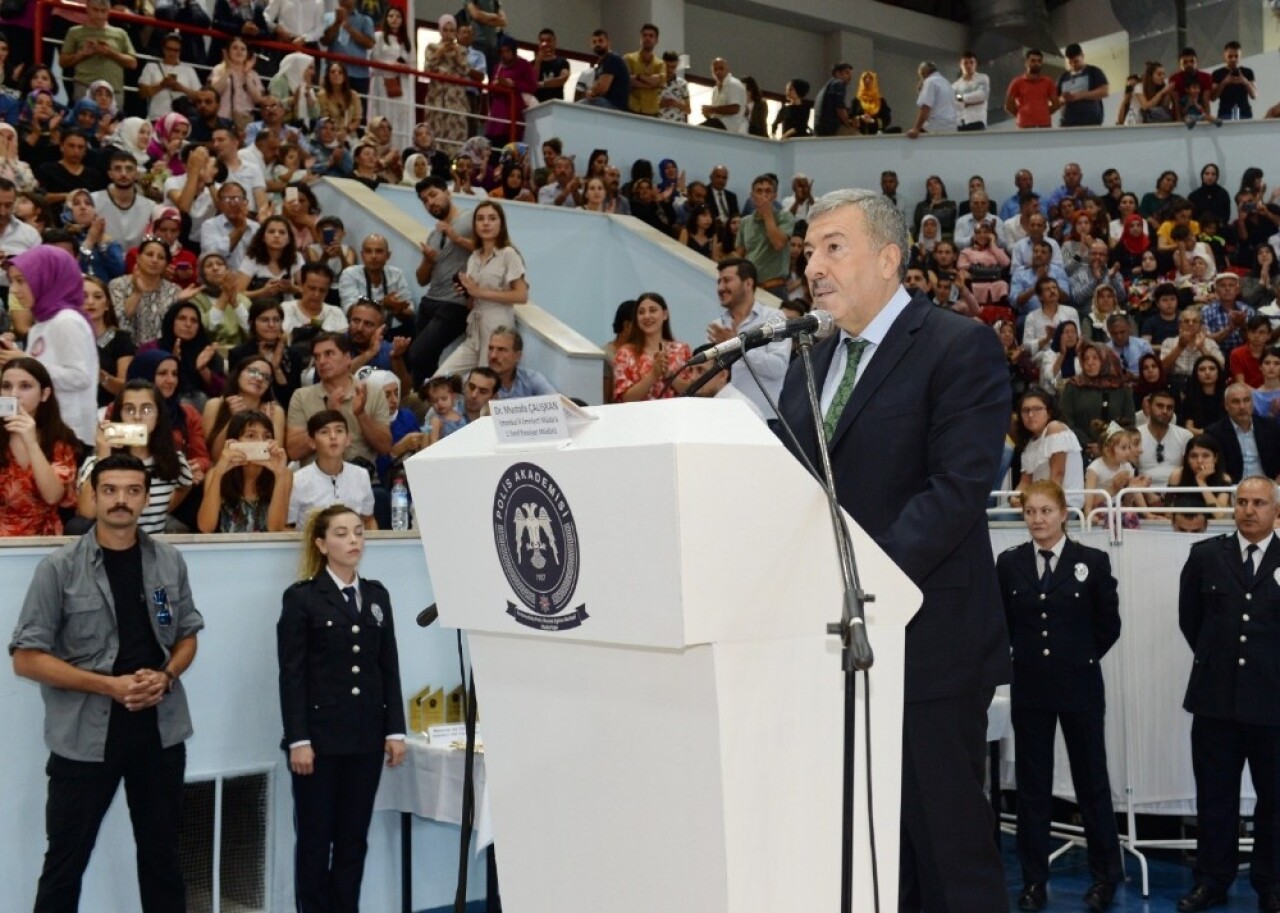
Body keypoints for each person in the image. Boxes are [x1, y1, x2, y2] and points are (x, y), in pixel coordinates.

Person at [776, 188, 1009, 912]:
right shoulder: (808, 357)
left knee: (945, 853)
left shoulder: (957, 344)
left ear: (888, 257)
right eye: (808, 250)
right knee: (867, 857)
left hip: (926, 646)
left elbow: (955, 490)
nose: (813, 266)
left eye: (832, 247)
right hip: (829, 651)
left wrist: (857, 584)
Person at [10, 451, 203, 912]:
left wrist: (167, 674)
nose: (122, 500)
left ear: (145, 497)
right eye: (110, 490)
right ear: (92, 496)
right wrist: (108, 686)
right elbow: (26, 657)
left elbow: (187, 635)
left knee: (163, 860)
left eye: (133, 491)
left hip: (159, 733)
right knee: (65, 864)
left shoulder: (168, 562)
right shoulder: (59, 568)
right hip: (85, 739)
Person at [998, 479, 1123, 913]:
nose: (1037, 520)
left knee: (1092, 784)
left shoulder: (1092, 561)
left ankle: (1106, 876)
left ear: (1063, 513)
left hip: (1080, 687)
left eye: (1045, 512)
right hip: (1031, 688)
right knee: (1033, 788)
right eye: (1030, 512)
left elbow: (1108, 625)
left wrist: (1077, 659)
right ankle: (1034, 880)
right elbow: (1006, 625)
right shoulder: (1010, 564)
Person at [277, 501, 405, 911]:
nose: (353, 540)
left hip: (365, 738)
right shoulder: (303, 599)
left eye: (358, 532)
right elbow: (292, 675)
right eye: (341, 533)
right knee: (316, 841)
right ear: (321, 543)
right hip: (319, 741)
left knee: (353, 839)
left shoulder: (377, 596)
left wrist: (394, 730)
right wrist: (298, 739)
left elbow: (388, 668)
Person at [1177, 477, 1280, 913]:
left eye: (1259, 503)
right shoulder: (1205, 556)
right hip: (1215, 700)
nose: (1249, 510)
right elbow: (1191, 621)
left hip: (1273, 703)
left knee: (1274, 801)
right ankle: (1212, 880)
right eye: (1242, 502)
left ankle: (1271, 884)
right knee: (1214, 798)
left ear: (1276, 510)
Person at [4, 246, 99, 447]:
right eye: (12, 281)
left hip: (70, 434)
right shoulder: (41, 324)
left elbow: (80, 377)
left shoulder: (67, 321)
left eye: (21, 281)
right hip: (44, 429)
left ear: (46, 278)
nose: (13, 289)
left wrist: (25, 362)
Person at [78, 380, 195, 534]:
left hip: (154, 551)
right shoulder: (97, 460)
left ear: (158, 416)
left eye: (147, 410)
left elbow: (185, 485)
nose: (138, 417)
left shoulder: (174, 460)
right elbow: (87, 512)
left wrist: (163, 507)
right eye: (129, 410)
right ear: (119, 415)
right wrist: (103, 458)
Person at [437, 201, 529, 375]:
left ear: (501, 224)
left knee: (486, 383)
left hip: (498, 327)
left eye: (492, 218)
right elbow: (472, 300)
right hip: (474, 329)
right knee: (442, 377)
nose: (486, 223)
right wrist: (467, 293)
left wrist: (479, 292)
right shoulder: (474, 257)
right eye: (480, 219)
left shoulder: (508, 254)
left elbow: (521, 295)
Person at [0, 358, 80, 536]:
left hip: (41, 537)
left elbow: (52, 496)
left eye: (25, 386)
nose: (14, 394)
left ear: (44, 394)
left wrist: (31, 443)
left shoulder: (60, 440)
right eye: (6, 386)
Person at [708, 257, 789, 416]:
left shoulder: (774, 318)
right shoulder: (717, 326)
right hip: (723, 418)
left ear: (748, 284)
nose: (720, 287)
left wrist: (738, 347)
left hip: (764, 420)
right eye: (719, 282)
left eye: (726, 280)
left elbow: (777, 367)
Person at [197, 410, 291, 532]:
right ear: (234, 441)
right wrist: (218, 474)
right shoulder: (217, 473)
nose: (261, 441)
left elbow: (275, 528)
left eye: (267, 436)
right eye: (251, 436)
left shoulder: (285, 474)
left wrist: (279, 475)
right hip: (227, 549)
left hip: (266, 548)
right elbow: (205, 527)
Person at [286, 410, 376, 527]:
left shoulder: (361, 475)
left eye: (339, 431)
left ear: (348, 440)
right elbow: (287, 526)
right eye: (324, 432)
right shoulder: (297, 480)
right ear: (312, 442)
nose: (333, 437)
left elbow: (368, 520)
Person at [613, 292, 694, 402]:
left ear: (665, 314)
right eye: (641, 312)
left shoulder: (681, 349)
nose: (647, 316)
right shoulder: (625, 354)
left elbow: (692, 391)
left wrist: (670, 375)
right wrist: (653, 374)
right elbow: (625, 399)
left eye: (652, 310)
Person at [1057, 43, 1109, 127]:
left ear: (1082, 56)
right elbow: (1056, 100)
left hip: (1091, 122)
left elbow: (1104, 91)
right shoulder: (1063, 77)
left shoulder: (1094, 71)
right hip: (1068, 123)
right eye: (1070, 62)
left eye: (1076, 61)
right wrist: (1063, 99)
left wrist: (1080, 95)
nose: (1073, 65)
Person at [906, 60, 957, 138]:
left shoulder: (930, 81)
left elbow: (926, 107)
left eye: (921, 76)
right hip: (952, 127)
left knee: (910, 139)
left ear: (924, 73)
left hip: (936, 125)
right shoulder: (947, 83)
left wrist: (916, 129)